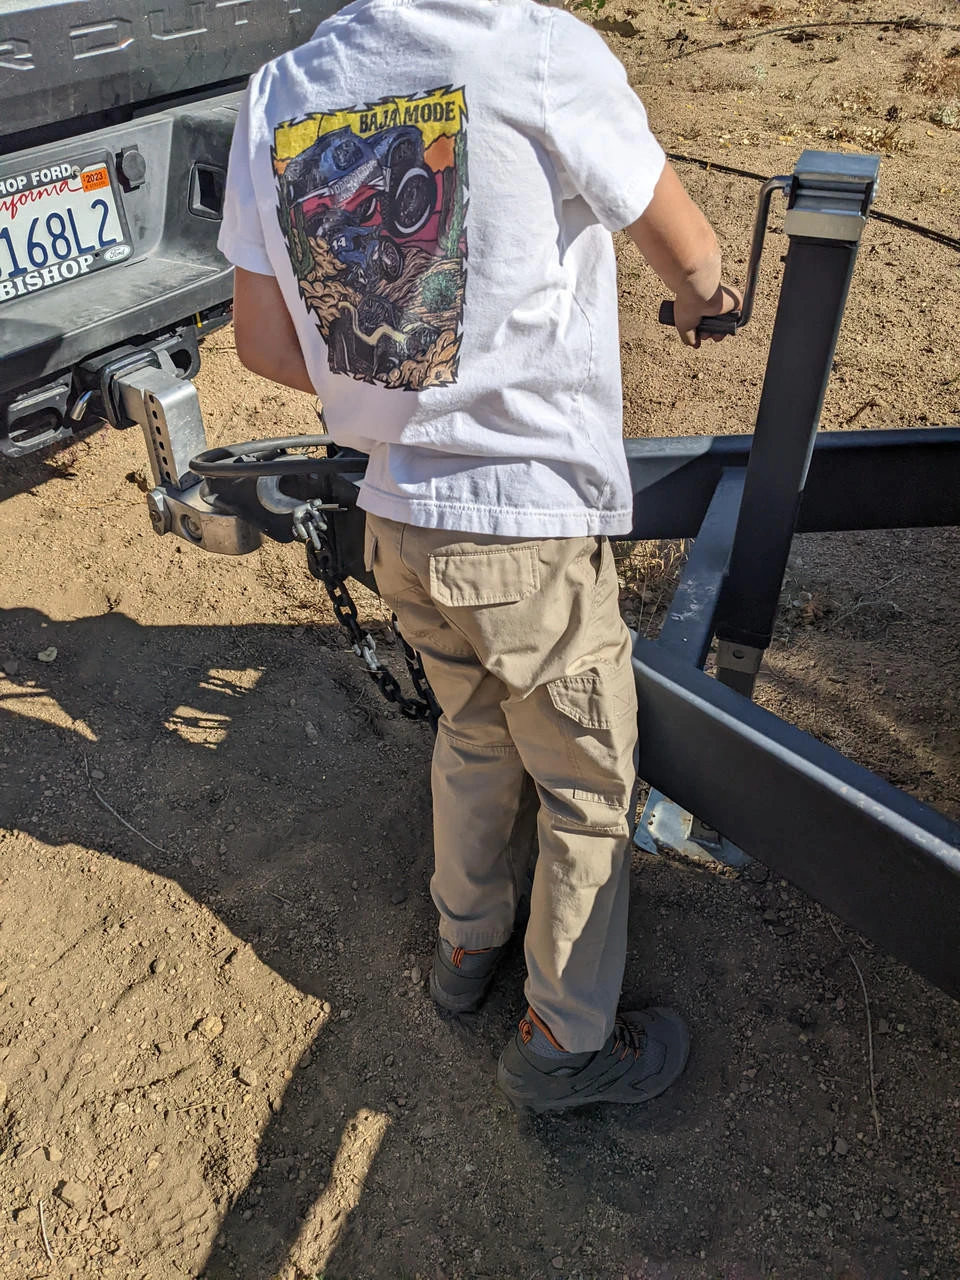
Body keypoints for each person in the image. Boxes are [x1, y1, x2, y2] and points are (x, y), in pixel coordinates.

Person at [218, 0, 740, 1113]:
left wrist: (391, 383)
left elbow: (261, 341)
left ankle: (466, 944)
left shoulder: (276, 93)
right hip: (524, 522)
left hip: (396, 518)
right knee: (586, 781)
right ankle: (564, 1041)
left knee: (472, 725)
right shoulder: (539, 49)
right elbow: (688, 250)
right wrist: (710, 302)